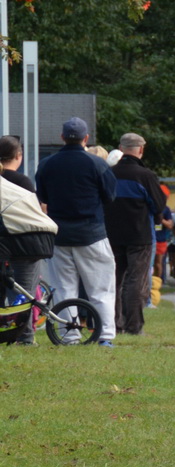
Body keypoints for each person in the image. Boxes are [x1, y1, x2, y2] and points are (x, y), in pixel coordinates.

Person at [34, 117, 119, 346]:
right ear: (86, 138)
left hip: (59, 235)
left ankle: (69, 334)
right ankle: (104, 335)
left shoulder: (47, 164)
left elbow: (42, 197)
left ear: (62, 137)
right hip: (92, 234)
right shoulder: (97, 164)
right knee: (101, 288)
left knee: (63, 288)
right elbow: (110, 196)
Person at [106, 133, 167, 335]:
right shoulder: (146, 176)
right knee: (135, 280)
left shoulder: (109, 173)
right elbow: (159, 204)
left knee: (114, 280)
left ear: (121, 148)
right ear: (141, 149)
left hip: (112, 235)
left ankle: (114, 324)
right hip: (140, 236)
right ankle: (134, 326)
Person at [0, 135, 52, 344]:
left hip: (3, 244)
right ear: (18, 156)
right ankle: (25, 336)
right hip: (23, 242)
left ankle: (9, 332)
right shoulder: (22, 182)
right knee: (26, 291)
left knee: (9, 290)